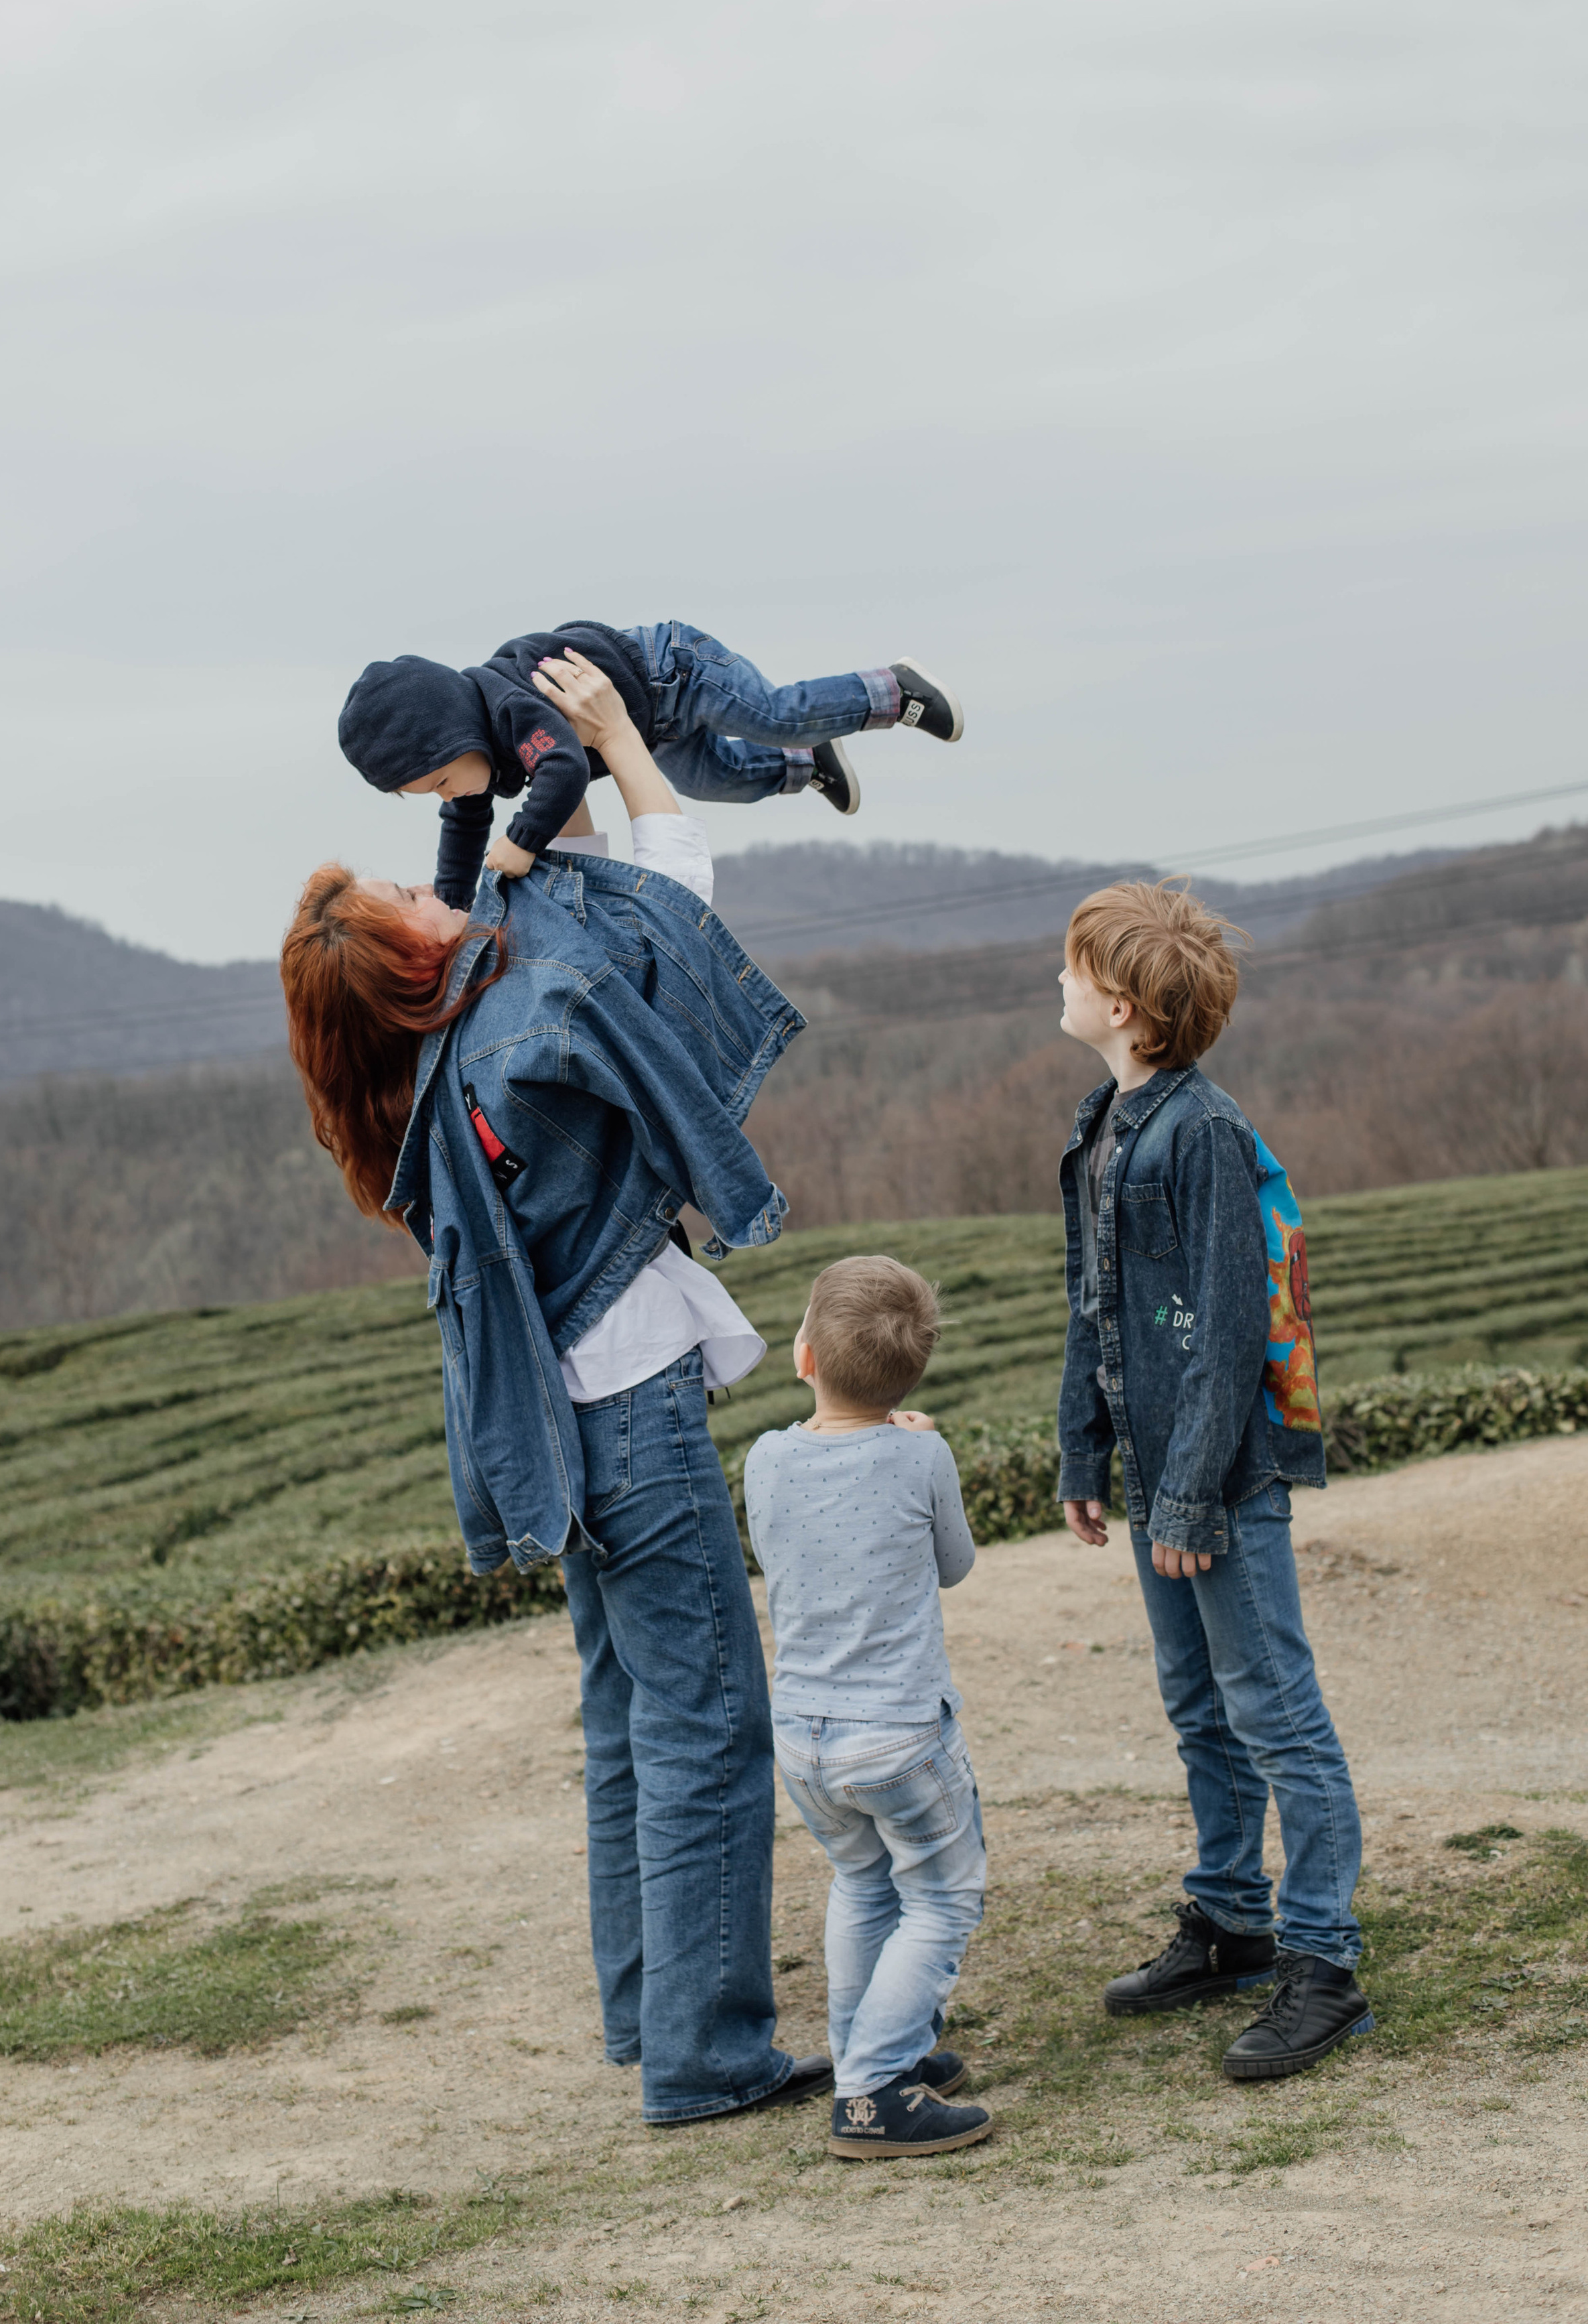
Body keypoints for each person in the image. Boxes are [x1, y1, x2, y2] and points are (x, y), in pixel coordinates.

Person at [283, 651, 830, 2127]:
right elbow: (672, 909)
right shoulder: (521, 1027)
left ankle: (648, 2014)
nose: (432, 889)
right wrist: (616, 744)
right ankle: (709, 2058)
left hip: (554, 1430)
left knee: (626, 1721)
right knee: (708, 1721)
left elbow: (554, 894)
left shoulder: (428, 1069)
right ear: (412, 963)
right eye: (408, 902)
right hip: (629, 1414)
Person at [1054, 879, 1372, 2081]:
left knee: (1275, 1713)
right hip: (1153, 1472)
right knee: (1200, 1707)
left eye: (1074, 967)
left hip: (1221, 1481)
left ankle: (1324, 1963)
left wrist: (1187, 1494)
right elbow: (1093, 1307)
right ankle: (1234, 1922)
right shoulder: (1100, 1124)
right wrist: (1084, 1451)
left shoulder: (1204, 1134)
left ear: (1124, 1009)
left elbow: (1233, 1332)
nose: (1058, 980)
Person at [743, 1256, 994, 2160]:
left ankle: (871, 2057)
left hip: (804, 1738)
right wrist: (914, 1444)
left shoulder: (766, 1459)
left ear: (804, 1357)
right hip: (898, 1737)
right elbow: (954, 1564)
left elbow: (782, 1548)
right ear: (911, 1376)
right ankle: (873, 2090)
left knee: (861, 1884)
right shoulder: (921, 1454)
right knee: (940, 1900)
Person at [336, 621, 964, 905]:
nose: (448, 797)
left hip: (674, 672)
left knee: (775, 715)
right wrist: (452, 906)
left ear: (454, 734)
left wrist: (523, 841)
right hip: (651, 728)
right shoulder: (474, 757)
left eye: (442, 782)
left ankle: (893, 691)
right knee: (714, 780)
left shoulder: (509, 709)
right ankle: (807, 766)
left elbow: (565, 770)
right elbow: (463, 833)